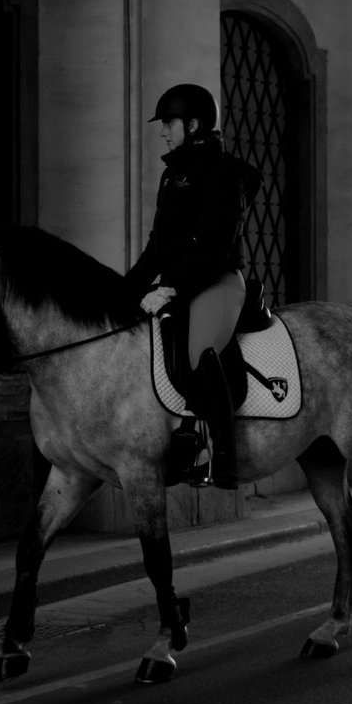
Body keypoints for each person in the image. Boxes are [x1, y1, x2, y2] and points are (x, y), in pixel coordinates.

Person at [125, 84, 262, 489]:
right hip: (180, 282)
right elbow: (156, 247)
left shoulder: (222, 174)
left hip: (216, 280)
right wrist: (123, 290)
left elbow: (212, 246)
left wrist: (170, 290)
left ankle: (224, 458)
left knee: (198, 351)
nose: (163, 131)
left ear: (194, 124)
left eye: (169, 123)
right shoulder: (173, 175)